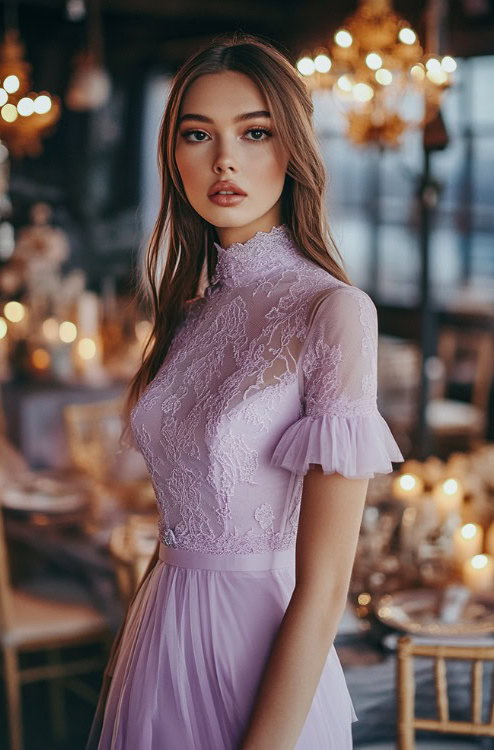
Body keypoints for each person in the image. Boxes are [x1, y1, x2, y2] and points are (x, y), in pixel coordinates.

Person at [87, 31, 404, 750]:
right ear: (173, 155)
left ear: (291, 149)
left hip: (261, 662)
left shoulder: (334, 311)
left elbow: (324, 591)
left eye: (254, 132)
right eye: (197, 134)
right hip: (159, 640)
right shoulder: (189, 315)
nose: (223, 159)